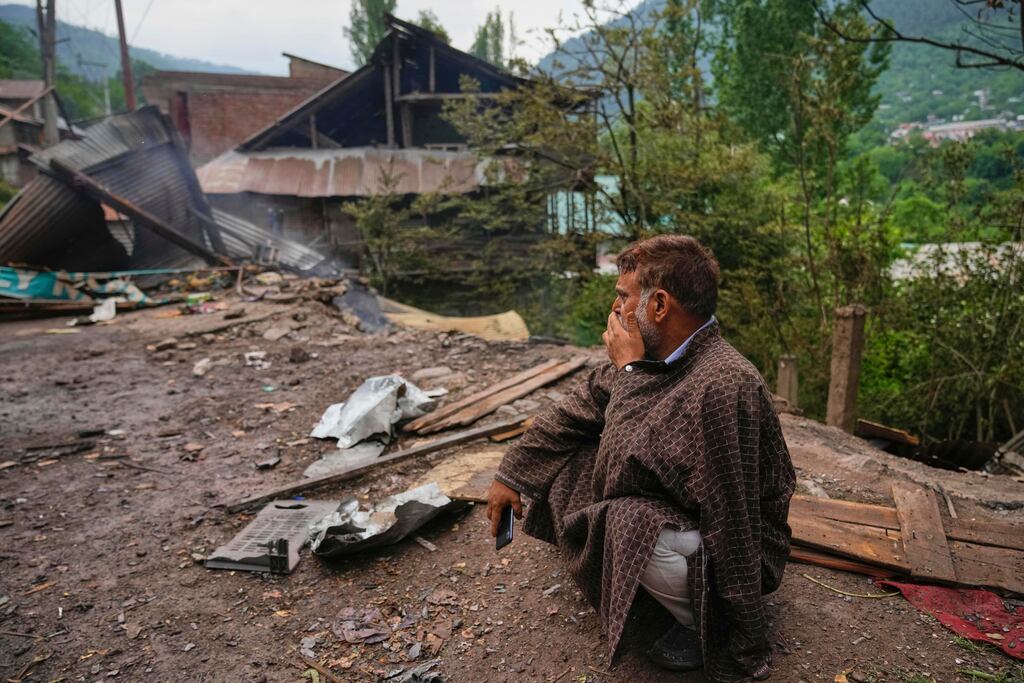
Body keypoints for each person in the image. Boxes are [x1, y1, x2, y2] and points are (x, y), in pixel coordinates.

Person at [486, 235, 795, 682]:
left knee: (626, 520)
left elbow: (731, 520)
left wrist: (742, 636)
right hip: (674, 508)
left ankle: (696, 621)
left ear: (659, 306)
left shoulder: (725, 383)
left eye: (623, 296)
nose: (614, 309)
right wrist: (511, 473)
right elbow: (575, 413)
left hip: (733, 546)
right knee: (567, 460)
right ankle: (646, 582)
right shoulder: (650, 352)